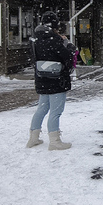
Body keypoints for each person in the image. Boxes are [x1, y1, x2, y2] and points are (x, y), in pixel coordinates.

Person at [26, 11, 76, 150]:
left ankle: (33, 138)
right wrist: (69, 45)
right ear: (55, 25)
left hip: (41, 77)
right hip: (56, 79)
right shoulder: (55, 40)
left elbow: (32, 58)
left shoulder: (35, 39)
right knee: (56, 111)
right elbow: (67, 57)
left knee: (42, 109)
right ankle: (54, 141)